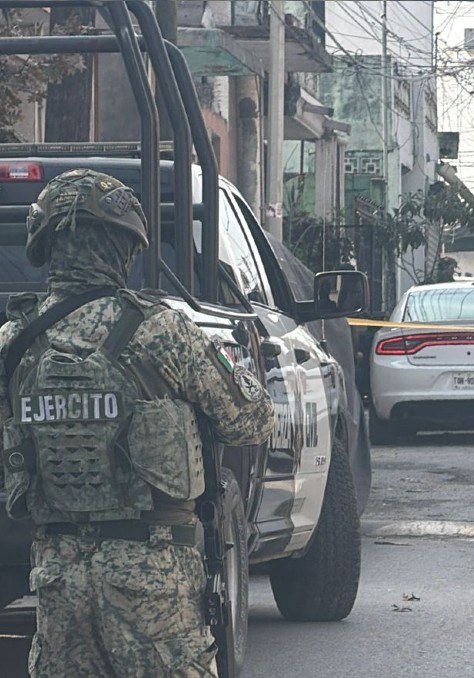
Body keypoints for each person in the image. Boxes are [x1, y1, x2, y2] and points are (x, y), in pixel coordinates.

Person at [0, 169, 275, 676]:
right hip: (152, 570)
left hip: (57, 575)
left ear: (45, 245)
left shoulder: (15, 341)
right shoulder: (160, 329)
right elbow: (249, 421)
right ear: (125, 245)